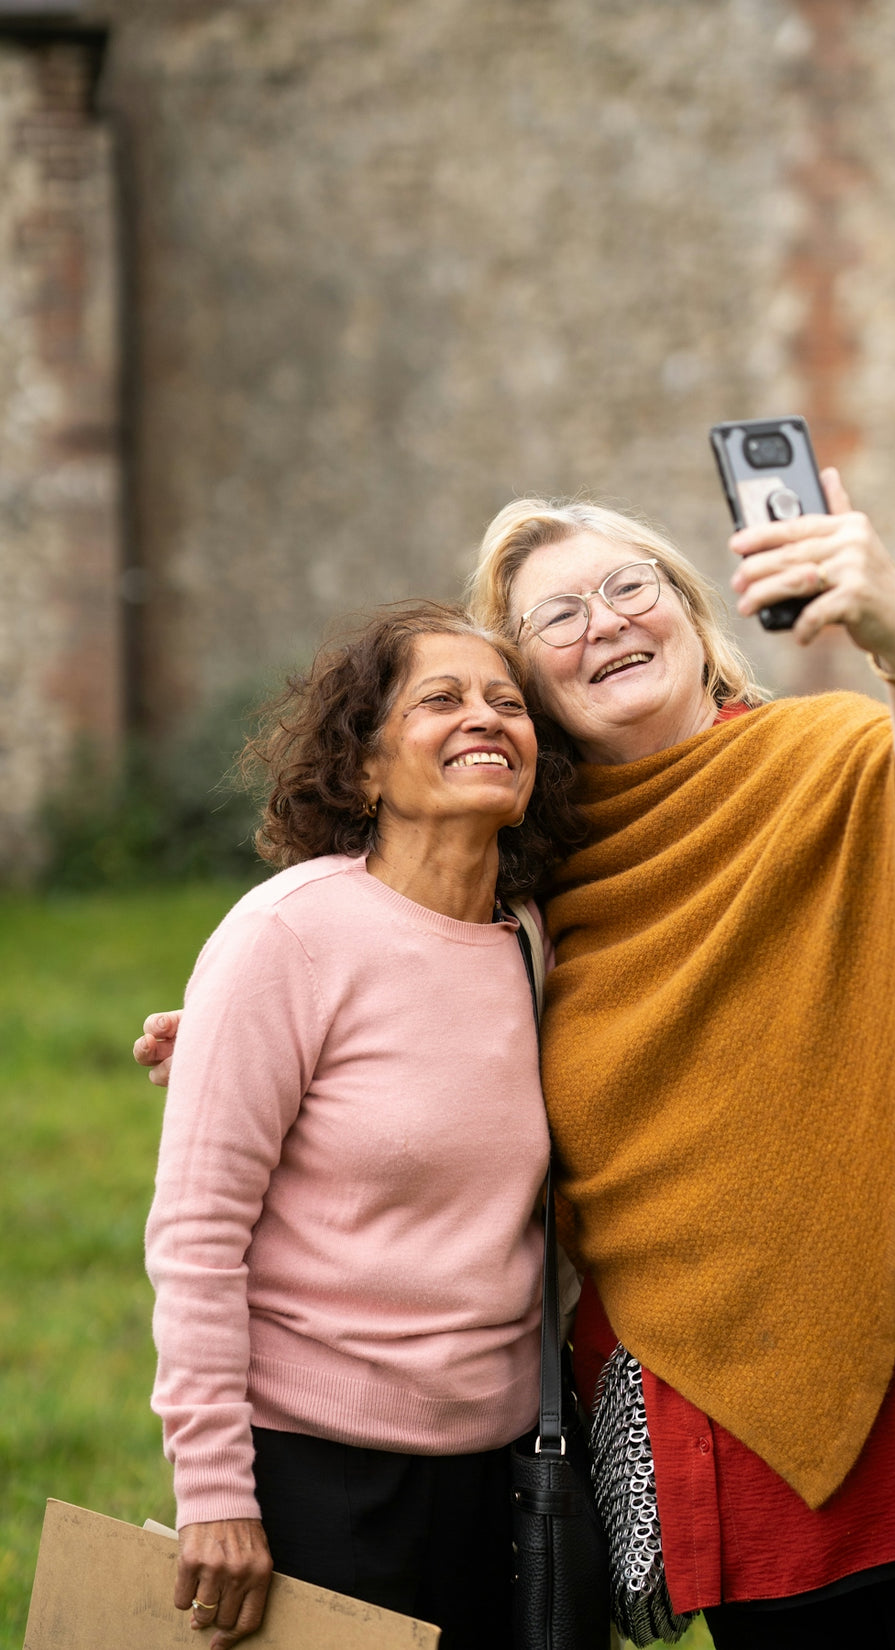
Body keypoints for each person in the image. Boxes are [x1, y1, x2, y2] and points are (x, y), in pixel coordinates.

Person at [139, 473, 895, 1648]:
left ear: (695, 623)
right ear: (538, 697)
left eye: (627, 588)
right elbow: (443, 1034)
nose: (601, 622)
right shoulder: (542, 893)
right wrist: (250, 1046)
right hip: (737, 1430)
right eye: (555, 619)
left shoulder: (832, 754)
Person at [141, 602, 580, 1650]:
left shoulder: (533, 947)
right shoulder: (288, 935)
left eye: (507, 703)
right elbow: (197, 1238)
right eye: (441, 698)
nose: (484, 718)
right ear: (366, 769)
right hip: (317, 1476)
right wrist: (213, 1491)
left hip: (507, 1475)